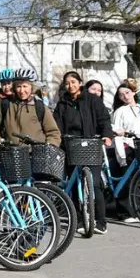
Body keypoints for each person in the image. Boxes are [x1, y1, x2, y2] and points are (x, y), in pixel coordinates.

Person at [54, 70, 112, 235]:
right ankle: (78, 219)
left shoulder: (92, 100)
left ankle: (101, 221)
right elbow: (56, 124)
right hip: (71, 145)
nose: (70, 85)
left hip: (91, 144)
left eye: (73, 82)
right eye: (67, 83)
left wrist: (107, 135)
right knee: (73, 183)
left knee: (95, 183)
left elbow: (104, 119)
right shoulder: (62, 103)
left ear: (80, 83)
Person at [109, 78, 140, 223]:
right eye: (121, 95)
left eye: (127, 92)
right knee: (125, 177)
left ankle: (137, 208)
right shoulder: (120, 111)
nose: (125, 96)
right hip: (126, 146)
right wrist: (122, 132)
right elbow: (114, 128)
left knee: (138, 177)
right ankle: (124, 211)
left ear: (133, 92)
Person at [0, 68, 61, 146]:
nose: (22, 91)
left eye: (25, 86)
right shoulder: (5, 104)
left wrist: (49, 149)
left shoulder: (39, 106)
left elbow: (53, 132)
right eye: (18, 86)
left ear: (32, 87)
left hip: (36, 154)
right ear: (14, 88)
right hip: (11, 154)